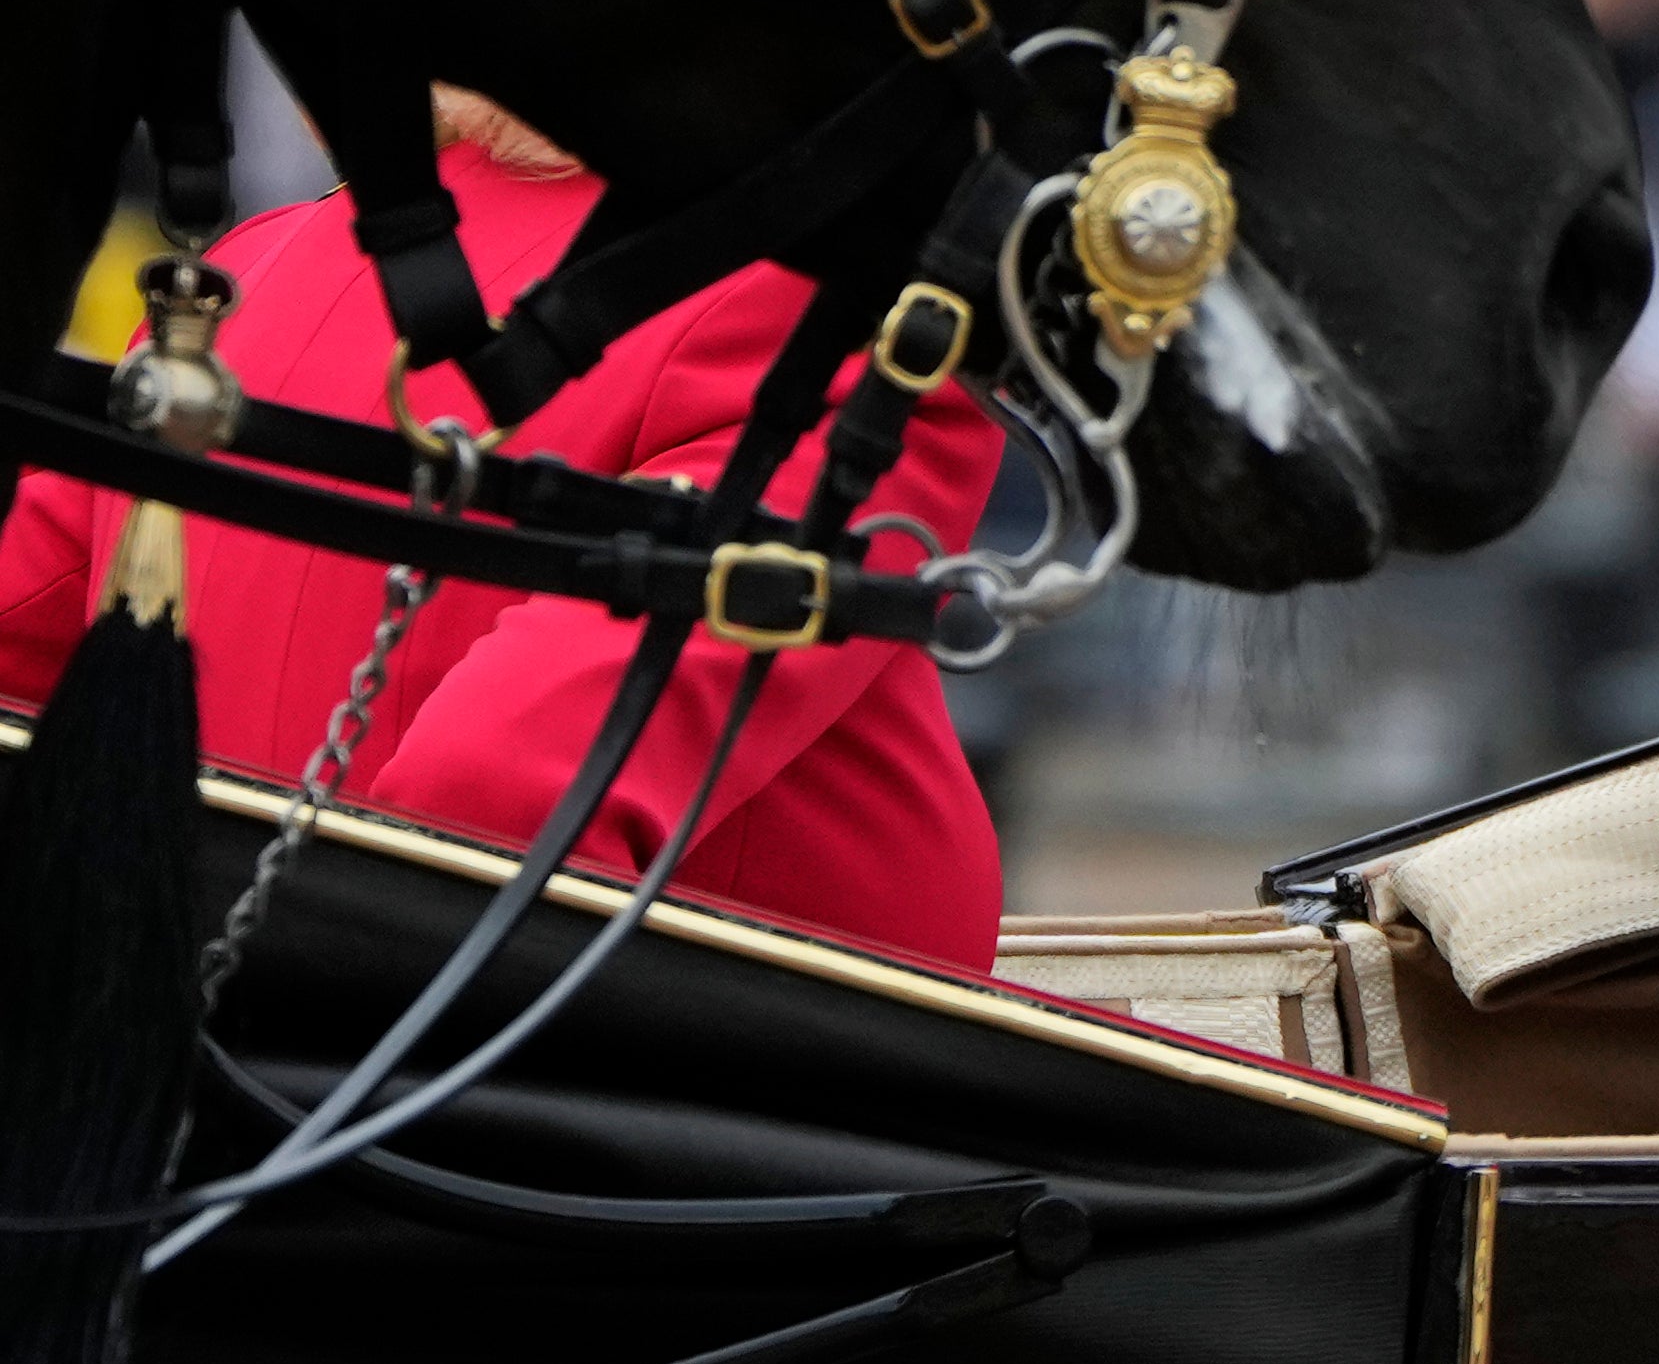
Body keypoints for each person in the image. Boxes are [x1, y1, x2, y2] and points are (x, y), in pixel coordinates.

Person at [0, 91, 1010, 970]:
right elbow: (495, 800)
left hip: (225, 1070)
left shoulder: (248, 271)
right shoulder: (809, 306)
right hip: (667, 1134)